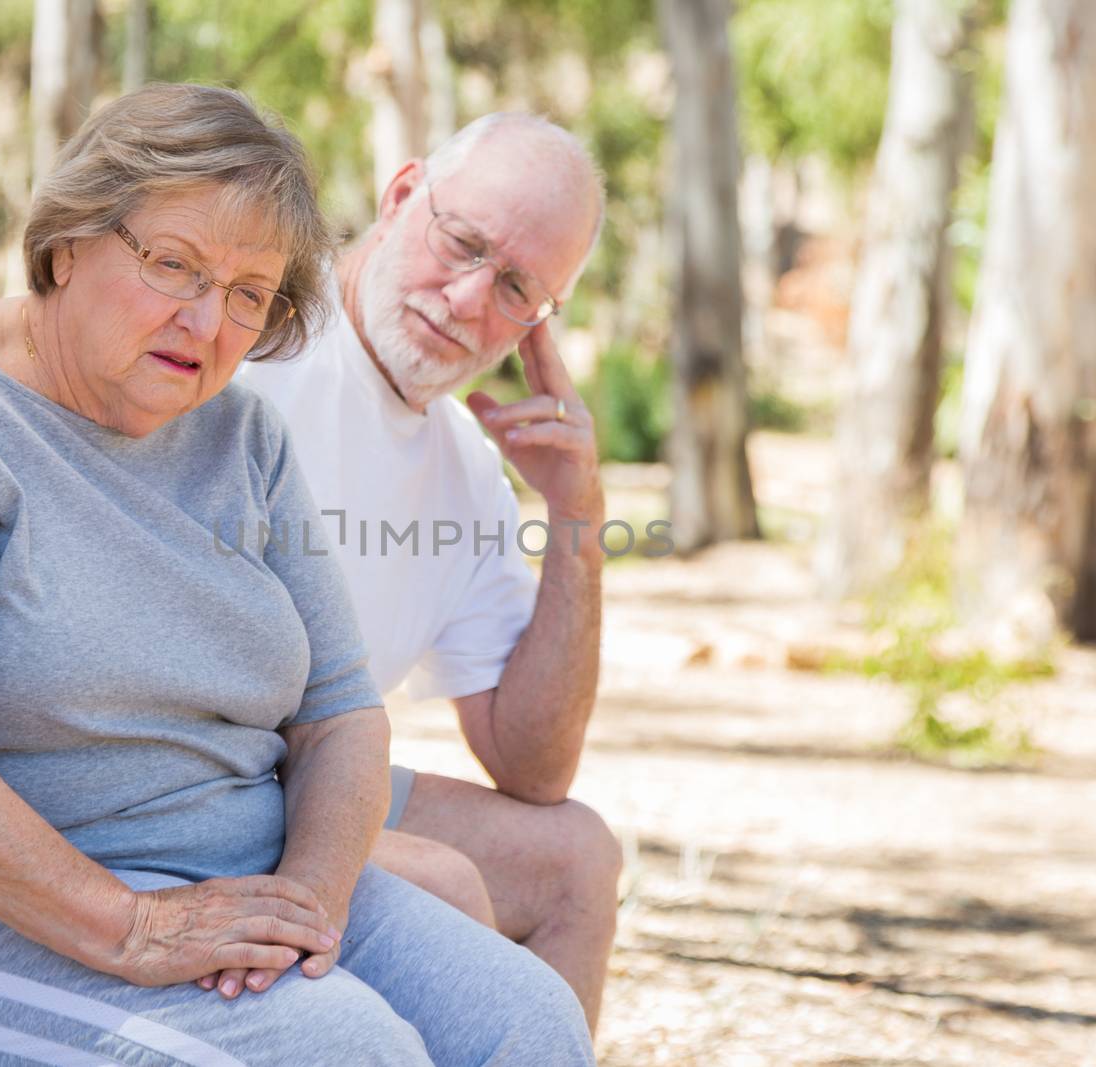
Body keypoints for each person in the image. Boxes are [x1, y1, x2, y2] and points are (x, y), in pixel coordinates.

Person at [0, 84, 593, 1067]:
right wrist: (131, 925)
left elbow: (342, 713)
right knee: (339, 1051)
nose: (207, 320)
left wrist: (314, 900)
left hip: (230, 871)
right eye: (172, 265)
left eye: (247, 294)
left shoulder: (241, 435)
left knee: (526, 1020)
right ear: (67, 242)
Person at [240, 113, 620, 1030]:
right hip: (190, 785)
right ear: (403, 194)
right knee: (445, 886)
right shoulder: (251, 340)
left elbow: (533, 766)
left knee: (576, 855)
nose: (466, 301)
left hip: (323, 784)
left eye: (518, 288)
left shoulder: (467, 467)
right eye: (463, 244)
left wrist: (577, 517)